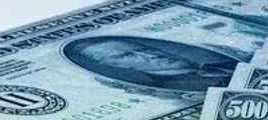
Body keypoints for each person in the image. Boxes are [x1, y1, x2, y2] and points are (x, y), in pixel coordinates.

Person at [62, 36, 239, 91]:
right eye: (128, 56)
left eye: (143, 49)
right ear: (117, 66)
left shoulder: (228, 62)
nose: (149, 55)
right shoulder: (177, 87)